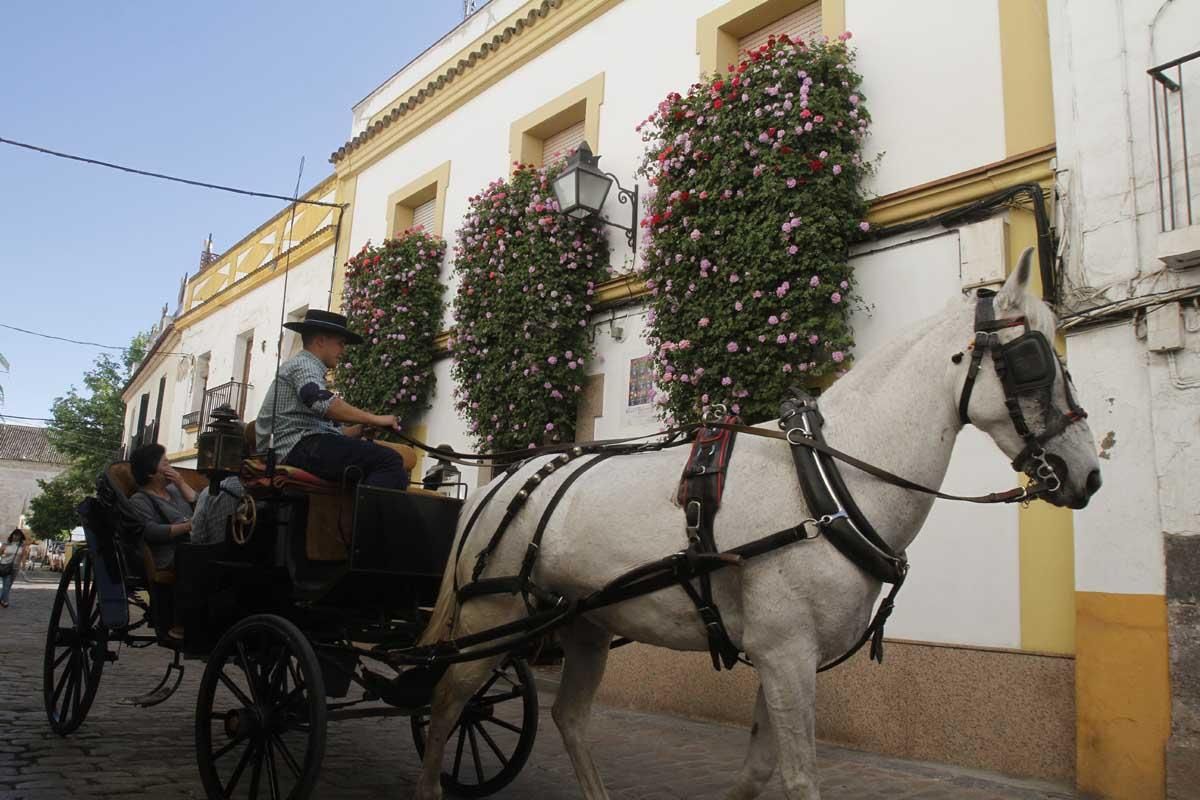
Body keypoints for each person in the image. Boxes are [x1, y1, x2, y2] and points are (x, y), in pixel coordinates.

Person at [255, 309, 410, 490]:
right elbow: (321, 401)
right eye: (341, 343)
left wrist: (359, 430)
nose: (343, 351)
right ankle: (363, 518)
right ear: (320, 341)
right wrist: (374, 418)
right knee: (389, 461)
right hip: (295, 448)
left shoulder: (307, 369)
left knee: (384, 464)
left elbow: (326, 431)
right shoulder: (304, 364)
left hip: (300, 447)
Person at [128, 443, 196, 572]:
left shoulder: (175, 489)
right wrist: (188, 526)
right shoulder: (139, 500)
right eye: (165, 464)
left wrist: (181, 484)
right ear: (150, 472)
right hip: (170, 557)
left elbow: (201, 506)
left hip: (193, 547)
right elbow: (150, 531)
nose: (171, 468)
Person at [0, 529, 27, 608]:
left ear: (21, 537)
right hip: (5, 566)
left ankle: (2, 599)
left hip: (15, 568)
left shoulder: (22, 546)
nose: (16, 536)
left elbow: (23, 557)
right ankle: (5, 602)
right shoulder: (6, 544)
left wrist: (23, 567)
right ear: (12, 535)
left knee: (8, 585)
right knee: (7, 584)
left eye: (18, 535)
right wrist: (4, 556)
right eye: (15, 534)